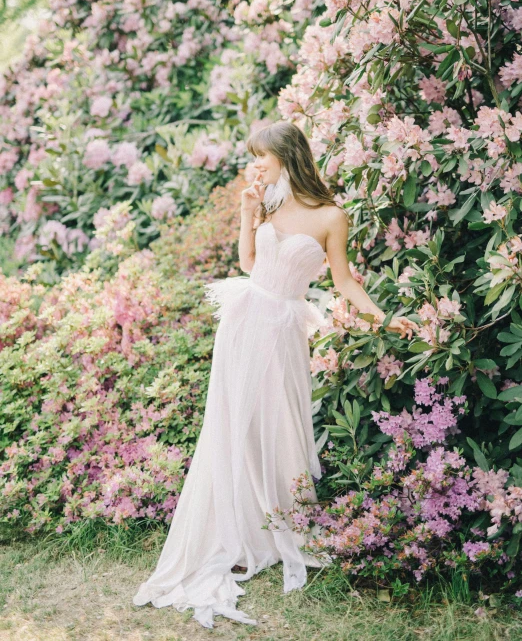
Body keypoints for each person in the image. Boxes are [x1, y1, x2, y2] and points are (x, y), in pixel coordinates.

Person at [132, 120, 417, 628]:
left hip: (283, 329)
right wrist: (247, 212)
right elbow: (247, 262)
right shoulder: (266, 202)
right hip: (243, 324)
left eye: (261, 154)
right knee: (232, 425)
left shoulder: (332, 216)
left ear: (286, 154)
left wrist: (387, 318)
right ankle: (236, 535)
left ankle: (280, 524)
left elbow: (345, 282)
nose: (256, 163)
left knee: (277, 425)